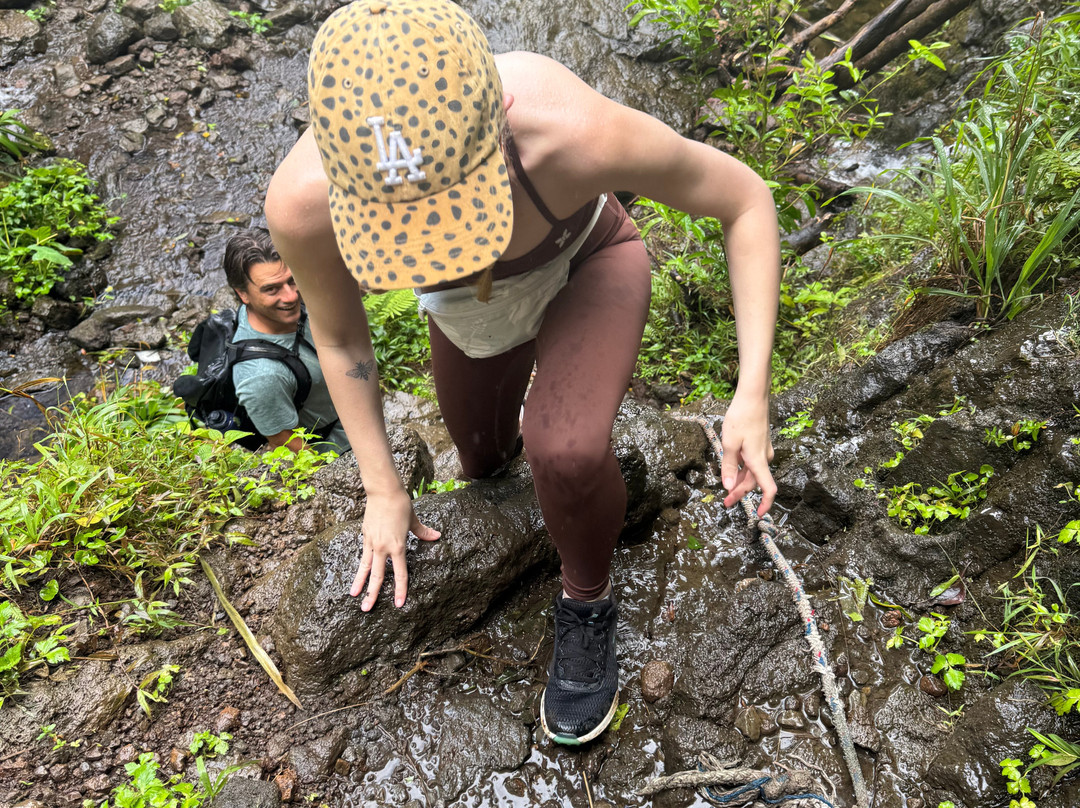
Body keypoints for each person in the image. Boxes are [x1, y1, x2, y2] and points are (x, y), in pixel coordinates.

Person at [266, 0, 779, 745]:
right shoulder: (307, 204)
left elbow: (743, 200)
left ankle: (587, 601)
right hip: (466, 317)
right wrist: (383, 488)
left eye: (451, 203)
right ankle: (526, 474)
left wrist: (750, 396)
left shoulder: (572, 133)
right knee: (481, 460)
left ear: (499, 110)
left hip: (584, 263)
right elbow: (344, 345)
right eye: (405, 219)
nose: (435, 230)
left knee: (563, 449)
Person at [223, 229, 351, 454]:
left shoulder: (274, 309)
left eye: (292, 280)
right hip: (340, 451)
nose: (291, 296)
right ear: (243, 294)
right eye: (271, 289)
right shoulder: (262, 377)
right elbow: (289, 444)